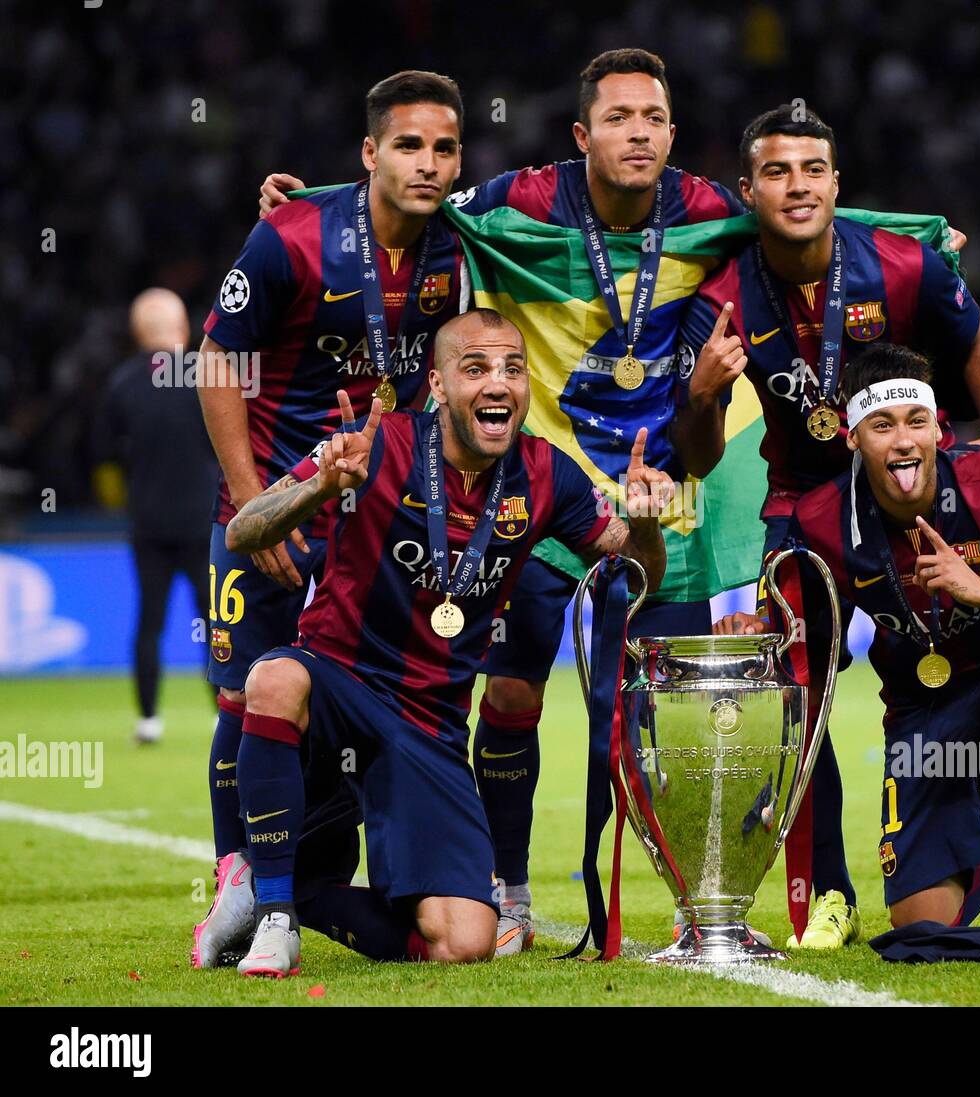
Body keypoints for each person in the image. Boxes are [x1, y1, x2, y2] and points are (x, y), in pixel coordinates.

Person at [258, 48, 744, 953]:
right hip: (536, 481)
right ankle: (508, 886)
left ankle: (699, 899)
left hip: (654, 493)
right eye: (617, 117)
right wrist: (319, 207)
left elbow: (809, 214)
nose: (637, 132)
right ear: (582, 134)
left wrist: (912, 237)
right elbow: (416, 188)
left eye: (653, 118)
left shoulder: (710, 207)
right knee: (514, 692)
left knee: (665, 704)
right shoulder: (523, 198)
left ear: (672, 133)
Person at [221, 309, 670, 974]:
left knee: (464, 941)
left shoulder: (548, 475)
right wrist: (319, 487)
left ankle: (300, 894)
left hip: (429, 725)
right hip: (339, 682)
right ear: (436, 385)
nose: (499, 384)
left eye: (512, 369)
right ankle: (276, 917)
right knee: (273, 677)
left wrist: (644, 523)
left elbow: (636, 574)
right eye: (477, 368)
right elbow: (243, 532)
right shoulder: (375, 444)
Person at [676, 104, 980, 948]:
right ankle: (830, 890)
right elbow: (699, 452)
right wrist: (703, 390)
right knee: (800, 694)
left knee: (974, 667)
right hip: (803, 506)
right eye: (779, 172)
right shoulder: (719, 298)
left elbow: (977, 340)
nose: (799, 186)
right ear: (748, 189)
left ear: (836, 182)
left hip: (912, 498)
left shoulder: (899, 266)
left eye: (814, 169)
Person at [191, 70, 471, 969]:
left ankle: (314, 879)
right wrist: (251, 505)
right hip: (271, 504)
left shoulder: (460, 242)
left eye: (445, 147)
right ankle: (240, 876)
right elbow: (215, 361)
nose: (427, 164)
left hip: (378, 518)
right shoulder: (291, 238)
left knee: (352, 691)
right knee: (242, 693)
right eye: (408, 145)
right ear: (368, 152)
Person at [729, 342, 980, 935]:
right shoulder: (822, 519)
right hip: (925, 708)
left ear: (939, 430)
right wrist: (757, 630)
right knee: (921, 928)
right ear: (852, 438)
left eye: (916, 422)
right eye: (881, 425)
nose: (903, 440)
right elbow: (804, 649)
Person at [92, 288, 217, 744]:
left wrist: (123, 498)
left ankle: (148, 719)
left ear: (136, 332)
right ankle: (224, 714)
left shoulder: (121, 383)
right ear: (182, 327)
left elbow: (103, 458)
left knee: (149, 622)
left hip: (148, 524)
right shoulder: (204, 375)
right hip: (205, 523)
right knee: (216, 621)